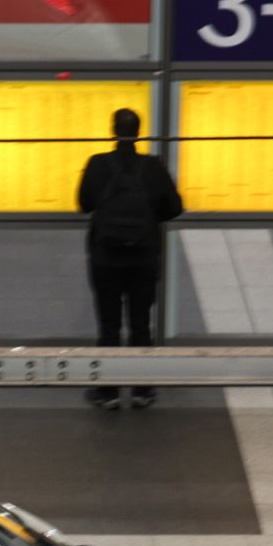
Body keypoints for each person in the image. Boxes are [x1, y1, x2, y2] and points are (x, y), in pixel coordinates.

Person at [76, 108, 182, 410]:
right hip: (143, 258)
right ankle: (142, 389)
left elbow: (84, 204)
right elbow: (174, 207)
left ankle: (107, 391)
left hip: (105, 258)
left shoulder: (97, 164)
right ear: (138, 132)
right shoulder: (152, 167)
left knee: (109, 326)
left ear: (113, 131)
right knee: (140, 325)